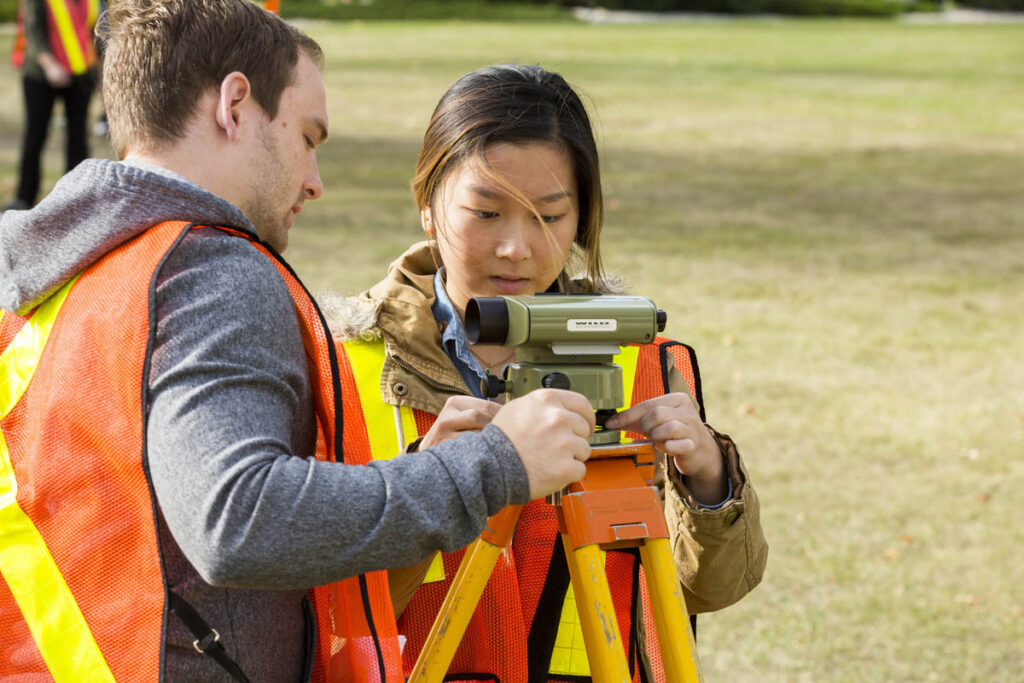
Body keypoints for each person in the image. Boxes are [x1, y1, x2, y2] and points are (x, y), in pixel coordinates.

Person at [0, 3, 597, 681]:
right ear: (234, 104)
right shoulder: (207, 270)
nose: (314, 180)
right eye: (307, 137)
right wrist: (494, 462)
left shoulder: (48, 270)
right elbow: (237, 517)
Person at [324, 64, 769, 681]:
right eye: (485, 213)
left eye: (549, 216)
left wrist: (710, 485)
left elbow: (710, 590)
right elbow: (326, 613)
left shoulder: (644, 363)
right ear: (428, 206)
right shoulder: (344, 364)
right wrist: (429, 490)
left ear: (582, 218)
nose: (517, 247)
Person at [3, 0, 99, 212]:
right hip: (41, 75)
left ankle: (76, 198)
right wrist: (49, 65)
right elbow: (32, 31)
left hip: (81, 74)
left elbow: (95, 30)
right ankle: (24, 198)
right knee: (35, 135)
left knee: (78, 138)